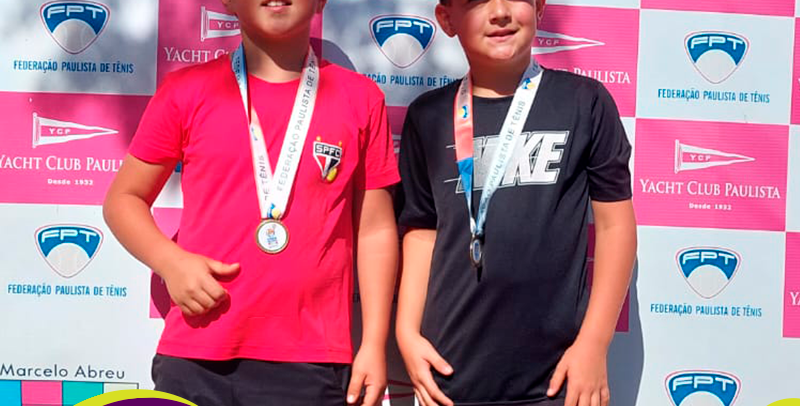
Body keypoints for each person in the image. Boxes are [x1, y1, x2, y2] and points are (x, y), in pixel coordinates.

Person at [102, 0, 399, 404]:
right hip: (198, 352)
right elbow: (123, 199)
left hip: (314, 360)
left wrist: (374, 343)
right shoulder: (186, 91)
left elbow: (375, 230)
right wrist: (170, 262)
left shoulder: (359, 97)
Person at [394, 0, 637, 405]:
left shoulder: (584, 102)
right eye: (476, 1)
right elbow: (422, 231)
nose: (500, 12)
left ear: (540, 8)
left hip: (557, 380)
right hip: (449, 376)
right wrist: (406, 331)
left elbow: (616, 226)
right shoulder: (428, 116)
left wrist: (594, 343)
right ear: (447, 19)